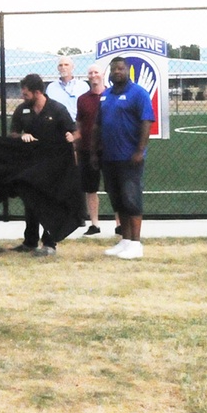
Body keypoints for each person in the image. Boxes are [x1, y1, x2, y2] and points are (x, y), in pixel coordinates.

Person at [10, 73, 76, 256]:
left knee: (49, 204)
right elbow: (13, 133)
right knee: (30, 202)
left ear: (37, 92)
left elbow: (73, 131)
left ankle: (49, 243)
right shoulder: (22, 110)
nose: (23, 98)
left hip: (53, 166)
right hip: (30, 166)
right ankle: (30, 242)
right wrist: (21, 136)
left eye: (26, 94)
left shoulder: (57, 109)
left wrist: (72, 137)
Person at [95, 56, 155, 260]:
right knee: (118, 201)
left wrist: (140, 150)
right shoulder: (106, 95)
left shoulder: (138, 93)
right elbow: (98, 125)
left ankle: (136, 244)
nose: (116, 72)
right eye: (113, 69)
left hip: (129, 157)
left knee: (131, 200)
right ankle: (126, 240)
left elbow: (146, 121)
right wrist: (96, 151)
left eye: (120, 68)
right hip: (109, 157)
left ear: (128, 70)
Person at [75, 63, 109, 235]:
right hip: (87, 150)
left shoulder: (112, 95)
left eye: (96, 72)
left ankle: (119, 223)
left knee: (114, 188)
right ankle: (94, 224)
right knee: (90, 188)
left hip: (110, 150)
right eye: (90, 73)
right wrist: (76, 145)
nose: (93, 75)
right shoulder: (82, 99)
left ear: (102, 74)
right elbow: (79, 124)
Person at [45, 55, 89, 121]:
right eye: (60, 65)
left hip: (77, 124)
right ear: (58, 68)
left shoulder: (83, 86)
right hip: (57, 125)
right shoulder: (51, 87)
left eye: (66, 65)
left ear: (72, 67)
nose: (63, 67)